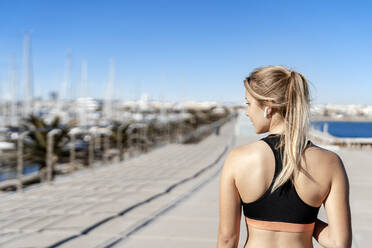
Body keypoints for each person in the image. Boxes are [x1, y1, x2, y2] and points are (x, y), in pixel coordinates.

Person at [217, 65, 352, 248]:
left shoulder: (238, 159)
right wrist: (305, 219)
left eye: (249, 103)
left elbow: (227, 239)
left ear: (268, 107)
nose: (247, 112)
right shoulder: (331, 163)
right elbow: (339, 243)